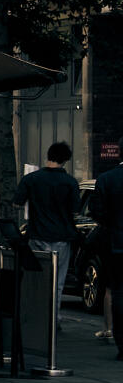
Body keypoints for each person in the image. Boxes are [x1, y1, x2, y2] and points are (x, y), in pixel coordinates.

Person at [13, 141, 81, 331]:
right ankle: (54, 318)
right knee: (57, 282)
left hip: (37, 235)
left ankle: (36, 315)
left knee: (36, 279)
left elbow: (17, 204)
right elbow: (75, 212)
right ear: (65, 160)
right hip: (61, 236)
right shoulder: (70, 182)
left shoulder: (32, 179)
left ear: (48, 155)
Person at [87, 138, 123, 360]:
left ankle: (121, 341)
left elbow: (96, 211)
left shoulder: (107, 179)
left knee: (118, 290)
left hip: (116, 243)